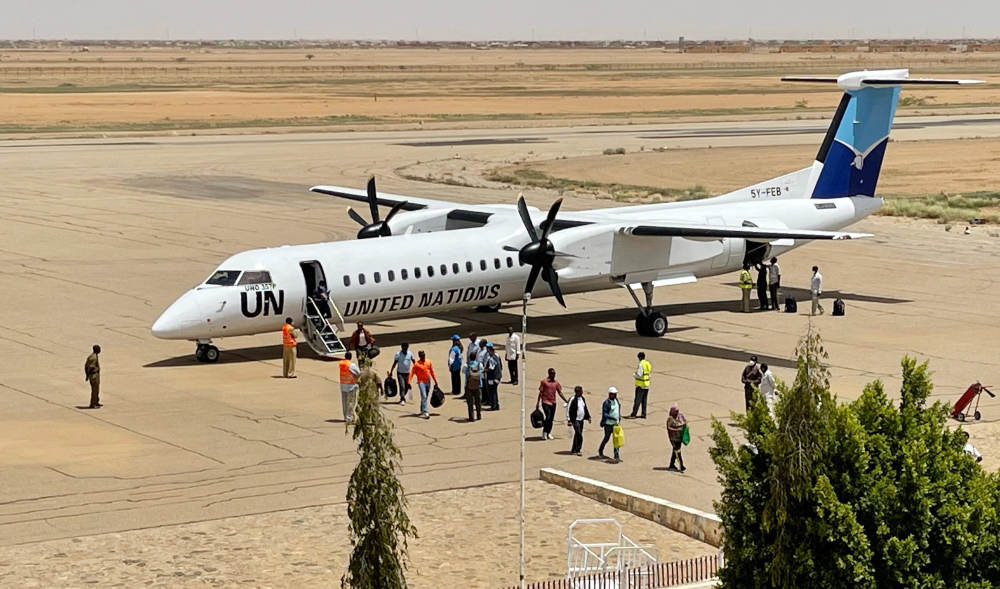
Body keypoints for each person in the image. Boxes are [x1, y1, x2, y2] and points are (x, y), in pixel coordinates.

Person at [536, 368, 569, 440]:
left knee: (551, 419)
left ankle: (548, 432)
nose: (553, 375)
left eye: (554, 374)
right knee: (548, 417)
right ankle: (544, 432)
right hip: (545, 402)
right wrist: (538, 403)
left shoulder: (556, 383)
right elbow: (540, 392)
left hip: (553, 402)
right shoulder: (544, 382)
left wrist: (566, 401)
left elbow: (559, 392)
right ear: (549, 374)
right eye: (552, 373)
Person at [408, 350, 439, 419]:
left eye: (424, 355)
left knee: (425, 396)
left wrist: (435, 381)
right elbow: (412, 373)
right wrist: (409, 382)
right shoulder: (417, 364)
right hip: (421, 382)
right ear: (419, 356)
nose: (423, 357)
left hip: (428, 381)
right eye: (422, 356)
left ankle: (422, 409)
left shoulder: (428, 362)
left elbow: (432, 372)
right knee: (424, 395)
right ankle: (426, 412)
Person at [597, 387, 622, 463]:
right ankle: (600, 450)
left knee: (616, 440)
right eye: (613, 394)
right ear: (610, 394)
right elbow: (605, 414)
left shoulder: (616, 401)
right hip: (608, 424)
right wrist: (612, 418)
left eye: (615, 394)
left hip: (616, 424)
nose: (615, 395)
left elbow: (618, 410)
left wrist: (619, 417)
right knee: (606, 438)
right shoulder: (607, 403)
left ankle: (616, 456)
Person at [567, 386, 591, 456]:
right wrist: (569, 420)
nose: (581, 392)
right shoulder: (573, 399)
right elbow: (568, 409)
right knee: (579, 434)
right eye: (580, 391)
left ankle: (573, 449)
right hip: (575, 420)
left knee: (577, 434)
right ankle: (578, 449)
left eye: (581, 391)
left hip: (581, 419)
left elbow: (585, 408)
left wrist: (588, 416)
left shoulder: (582, 398)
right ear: (576, 392)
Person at [628, 352, 652, 419]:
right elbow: (648, 373)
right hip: (646, 384)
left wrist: (634, 375)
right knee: (644, 400)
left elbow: (639, 374)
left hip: (640, 385)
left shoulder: (641, 364)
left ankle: (634, 414)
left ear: (639, 357)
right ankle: (643, 414)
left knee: (637, 400)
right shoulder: (648, 363)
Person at [339, 351, 361, 422]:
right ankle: (349, 417)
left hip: (343, 385)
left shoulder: (342, 364)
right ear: (350, 357)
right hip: (351, 386)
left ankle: (345, 416)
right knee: (351, 402)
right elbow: (358, 373)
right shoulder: (351, 365)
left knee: (344, 402)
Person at [666, 404, 687, 472]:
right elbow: (668, 427)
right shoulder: (670, 419)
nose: (677, 412)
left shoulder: (680, 416)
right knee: (678, 451)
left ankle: (671, 464)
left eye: (677, 411)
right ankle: (681, 465)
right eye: (675, 411)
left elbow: (685, 422)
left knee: (675, 451)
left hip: (679, 437)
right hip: (673, 438)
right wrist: (677, 429)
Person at [484, 343, 503, 410]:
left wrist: (484, 370)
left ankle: (493, 406)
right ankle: (496, 405)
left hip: (492, 378)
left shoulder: (492, 358)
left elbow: (490, 369)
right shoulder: (496, 356)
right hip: (497, 377)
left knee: (492, 391)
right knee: (494, 391)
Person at [466, 357, 483, 421]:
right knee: (478, 402)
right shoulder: (479, 365)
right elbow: (482, 372)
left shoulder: (467, 366)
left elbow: (464, 372)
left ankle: (471, 417)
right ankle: (479, 415)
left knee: (470, 403)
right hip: (478, 385)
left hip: (469, 386)